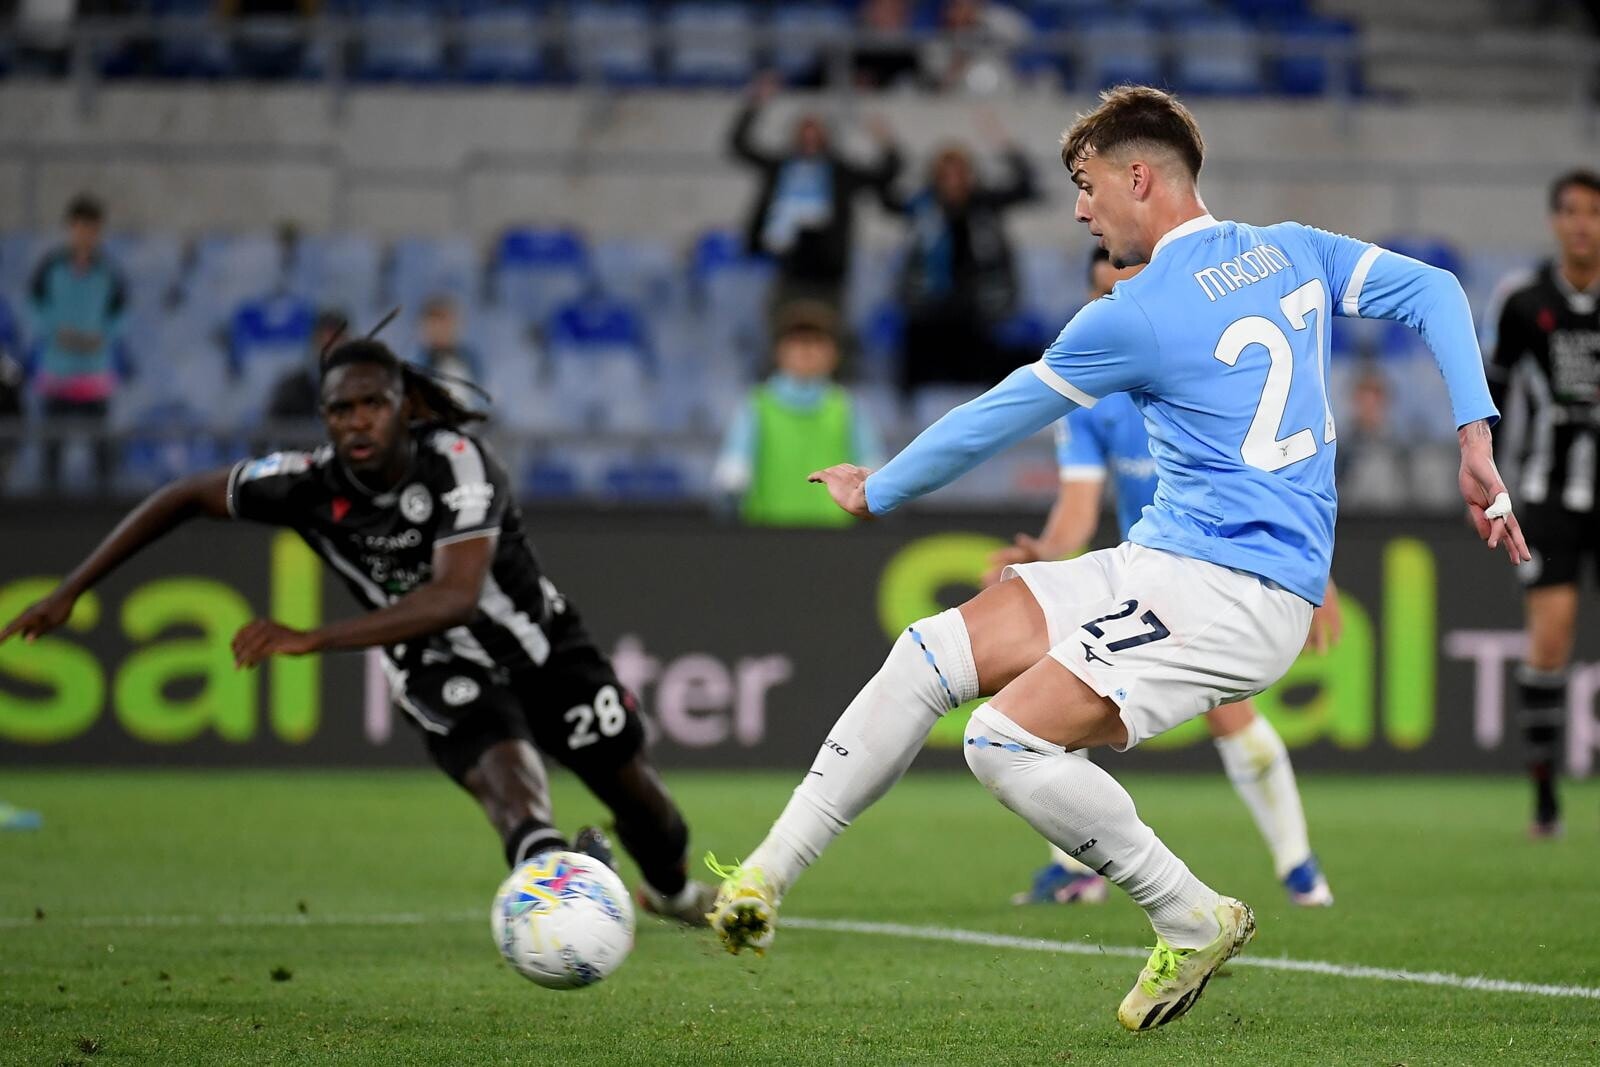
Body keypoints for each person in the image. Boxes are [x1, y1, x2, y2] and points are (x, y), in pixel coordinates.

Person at [705, 86, 1526, 1032]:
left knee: (1000, 741)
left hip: (1232, 591)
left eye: (1088, 185)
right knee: (930, 652)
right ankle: (764, 877)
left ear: (1140, 177)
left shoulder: (1134, 313)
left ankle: (1189, 912)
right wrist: (1475, 438)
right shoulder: (1293, 248)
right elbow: (1436, 291)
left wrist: (878, 487)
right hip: (1167, 561)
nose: (1080, 209)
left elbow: (998, 415)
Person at [1, 333, 715, 924]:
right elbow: (184, 495)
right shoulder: (307, 484)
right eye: (341, 409)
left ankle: (674, 895)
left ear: (405, 407)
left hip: (544, 648)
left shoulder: (458, 463)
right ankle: (559, 889)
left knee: (645, 805)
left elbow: (456, 596)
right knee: (510, 790)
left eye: (373, 403)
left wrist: (315, 637)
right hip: (432, 663)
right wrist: (70, 590)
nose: (357, 421)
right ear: (324, 418)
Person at [987, 247, 1338, 909]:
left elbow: (1281, 476)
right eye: (1103, 295)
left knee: (1229, 714)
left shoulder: (1211, 365)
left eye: (1126, 289)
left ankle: (1298, 867)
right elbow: (1078, 509)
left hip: (1228, 569)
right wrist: (1043, 551)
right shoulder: (1087, 394)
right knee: (1057, 691)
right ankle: (1078, 866)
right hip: (1146, 569)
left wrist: (1316, 572)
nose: (1115, 306)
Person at [1484, 167, 1600, 837]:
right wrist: (1486, 479)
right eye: (1572, 212)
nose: (1583, 224)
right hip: (1550, 493)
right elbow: (1494, 394)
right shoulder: (1524, 302)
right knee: (1551, 638)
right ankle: (1546, 797)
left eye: (1594, 212)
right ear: (1556, 221)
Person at [729, 73, 902, 314]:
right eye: (805, 132)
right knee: (784, 321)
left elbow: (885, 173)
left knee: (828, 323)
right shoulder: (781, 167)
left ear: (826, 137)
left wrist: (884, 140)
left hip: (829, 267)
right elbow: (740, 146)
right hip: (784, 264)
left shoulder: (840, 172)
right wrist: (755, 104)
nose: (810, 139)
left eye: (815, 132)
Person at [886, 119, 1039, 392]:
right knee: (916, 350)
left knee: (987, 362)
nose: (953, 182)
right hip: (930, 304)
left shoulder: (984, 203)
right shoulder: (923, 205)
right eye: (946, 175)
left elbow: (1025, 187)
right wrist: (891, 152)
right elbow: (887, 199)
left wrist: (1004, 144)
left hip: (980, 305)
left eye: (958, 174)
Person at [713, 301, 884, 527]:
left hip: (835, 535)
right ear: (779, 351)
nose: (806, 350)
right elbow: (733, 471)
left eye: (816, 342)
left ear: (833, 354)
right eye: (797, 341)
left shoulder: (848, 408)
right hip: (767, 532)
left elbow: (872, 471)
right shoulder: (757, 406)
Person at [30, 193, 127, 491]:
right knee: (52, 452)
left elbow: (121, 313)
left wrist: (101, 337)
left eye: (92, 229)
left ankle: (107, 510)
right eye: (81, 227)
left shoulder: (108, 272)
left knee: (102, 454)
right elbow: (32, 306)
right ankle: (47, 507)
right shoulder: (51, 267)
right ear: (70, 227)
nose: (86, 235)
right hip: (58, 373)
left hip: (93, 374)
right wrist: (56, 333)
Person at [267, 308, 348, 422]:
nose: (331, 350)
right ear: (314, 342)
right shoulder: (290, 390)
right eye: (325, 342)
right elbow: (272, 428)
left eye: (337, 341)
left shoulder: (363, 387)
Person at [414, 296, 485, 415]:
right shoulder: (416, 364)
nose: (438, 331)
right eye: (433, 325)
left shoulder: (467, 361)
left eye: (443, 324)